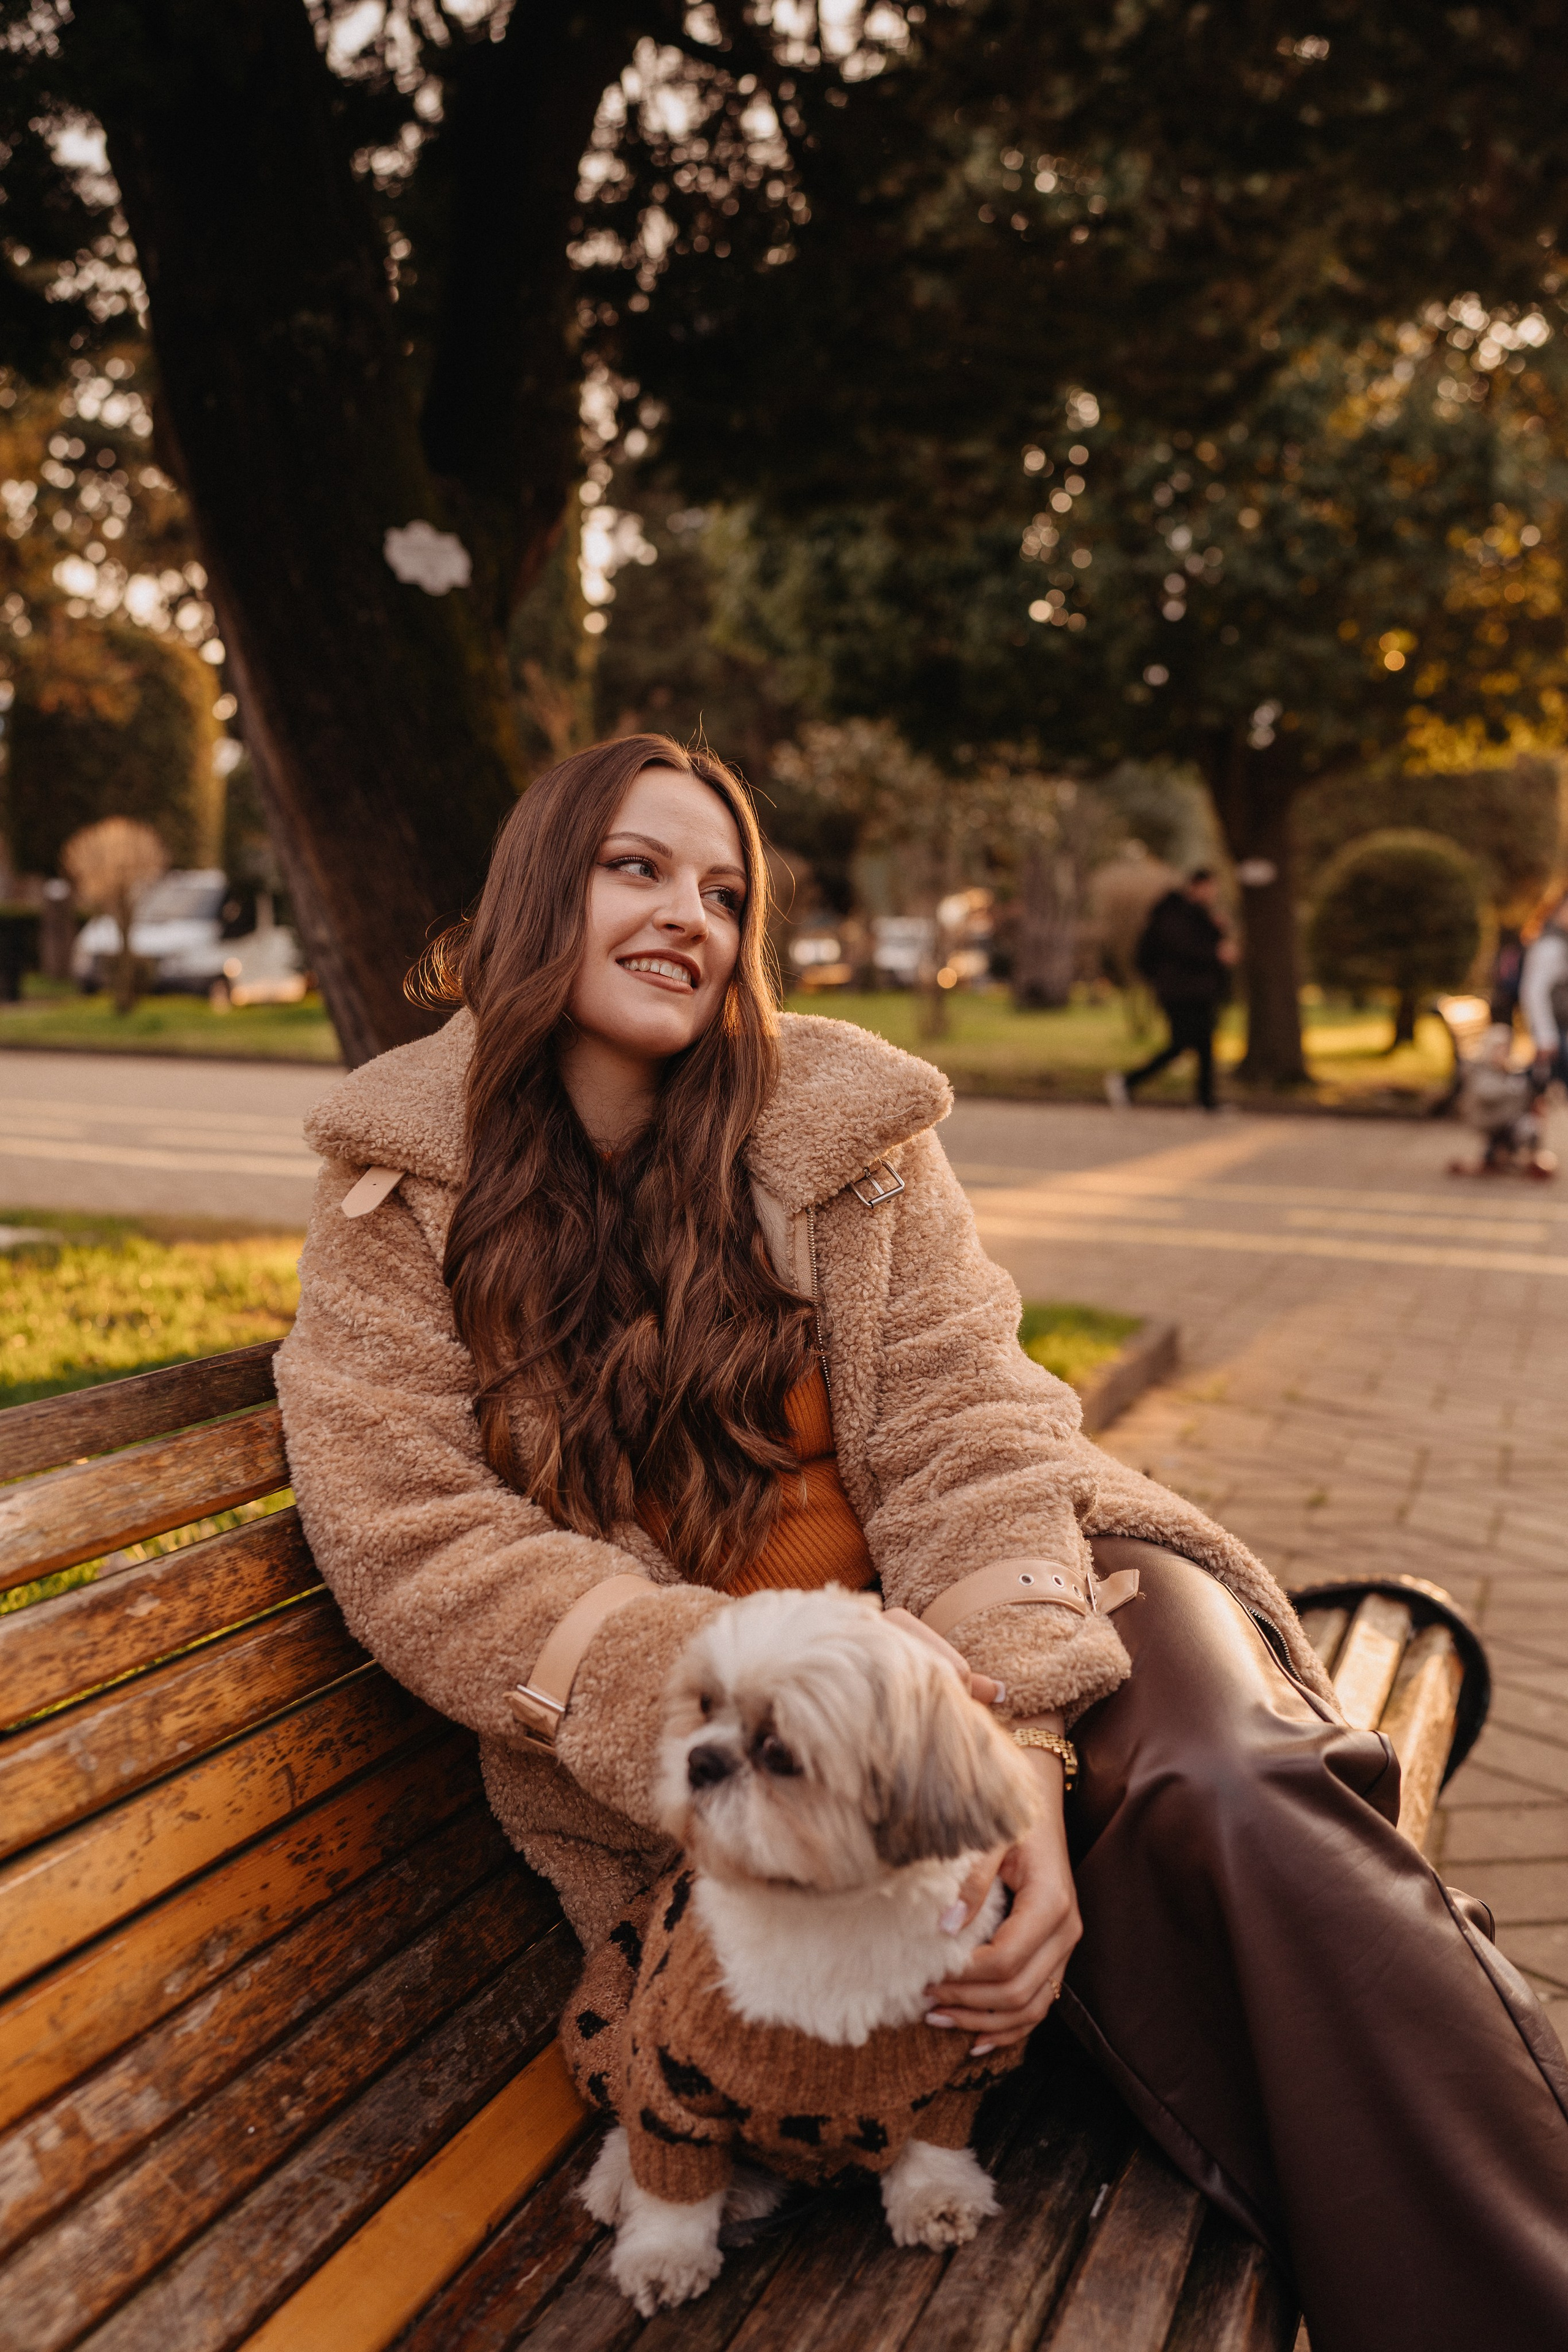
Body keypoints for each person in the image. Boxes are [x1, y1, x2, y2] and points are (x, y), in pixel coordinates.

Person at [277, 737, 1568, 2352]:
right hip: (781, 1749)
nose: (689, 915)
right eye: (637, 869)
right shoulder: (400, 1195)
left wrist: (1014, 1754)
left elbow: (975, 1430)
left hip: (1037, 1605)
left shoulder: (843, 1125)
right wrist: (764, 1675)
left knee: (1234, 1794)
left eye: (725, 892)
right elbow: (413, 1540)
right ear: (539, 892)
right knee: (1204, 1938)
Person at [1105, 868, 1236, 1110]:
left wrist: (1217, 930)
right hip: (1179, 991)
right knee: (1182, 1043)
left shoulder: (1198, 914)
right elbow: (1184, 949)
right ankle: (1126, 1081)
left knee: (1204, 1044)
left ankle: (1205, 1100)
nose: (1212, 894)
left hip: (1197, 990)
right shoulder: (1174, 914)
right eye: (1209, 888)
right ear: (1196, 886)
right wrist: (1215, 952)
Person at [1448, 1025, 1556, 1179]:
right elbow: (1486, 1094)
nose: (1503, 1053)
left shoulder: (1511, 1070)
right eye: (1499, 1049)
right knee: (1527, 1127)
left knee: (1531, 1123)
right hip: (1490, 1119)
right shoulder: (1480, 1070)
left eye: (1505, 1049)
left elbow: (1529, 1092)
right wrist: (1514, 1086)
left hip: (1509, 1120)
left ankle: (1512, 1156)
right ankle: (1499, 1156)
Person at [1520, 894, 1568, 1091]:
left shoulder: (1562, 942)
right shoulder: (1551, 946)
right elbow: (1535, 992)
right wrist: (1546, 1037)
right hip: (1559, 1033)